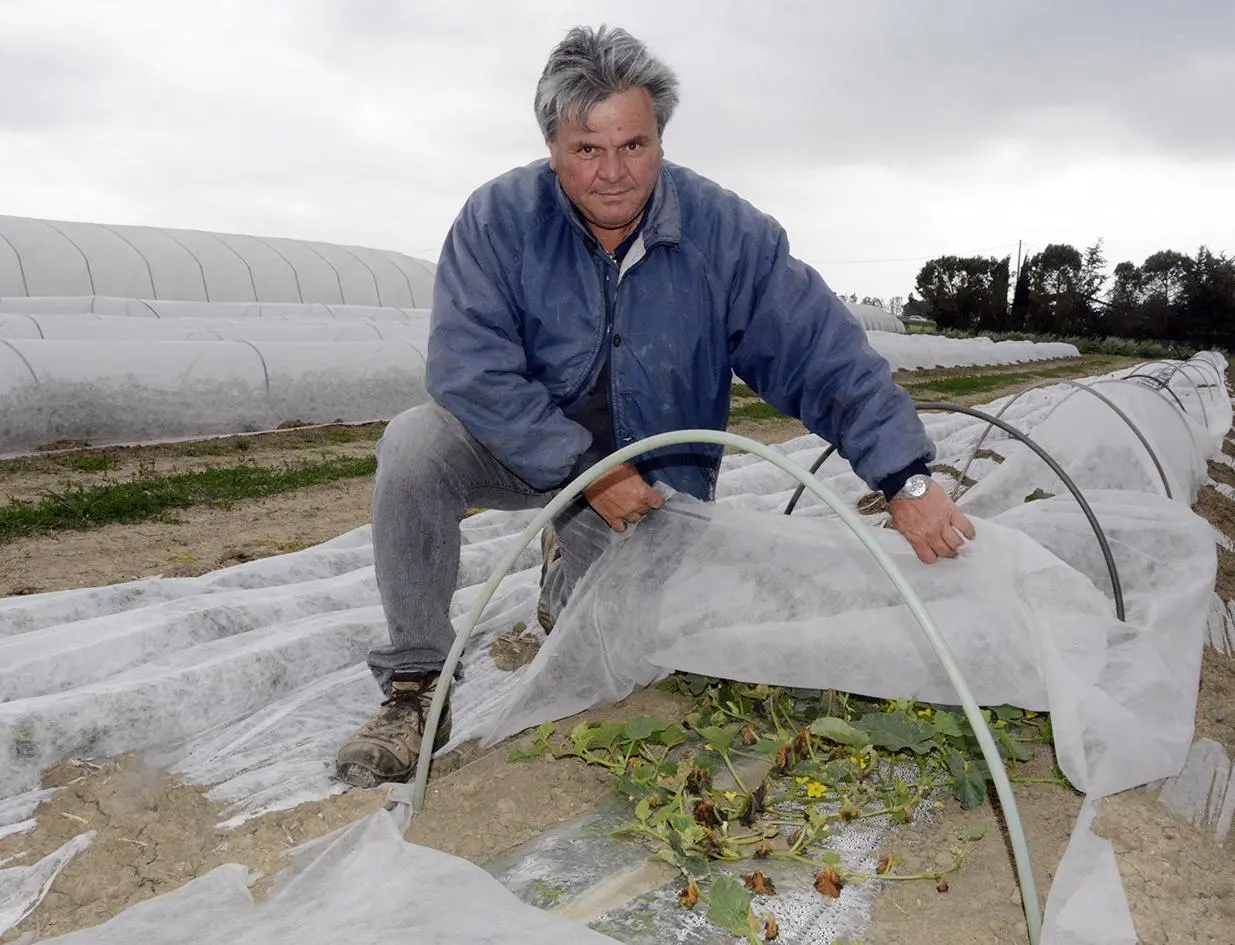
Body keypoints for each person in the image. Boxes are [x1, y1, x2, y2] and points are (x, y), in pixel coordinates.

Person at [334, 24, 975, 788]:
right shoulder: (499, 220)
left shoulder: (724, 235)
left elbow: (819, 350)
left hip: (650, 477)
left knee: (616, 658)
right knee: (413, 445)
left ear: (660, 138)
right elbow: (467, 368)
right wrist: (584, 471)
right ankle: (414, 689)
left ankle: (564, 580)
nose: (613, 174)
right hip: (525, 448)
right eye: (587, 150)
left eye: (633, 146)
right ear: (551, 146)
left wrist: (903, 476)